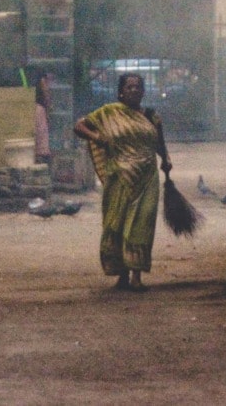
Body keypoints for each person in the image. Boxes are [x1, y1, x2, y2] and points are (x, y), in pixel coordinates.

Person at [73, 72, 170, 290]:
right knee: (116, 224)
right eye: (129, 87)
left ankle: (136, 277)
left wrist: (166, 161)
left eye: (137, 87)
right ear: (121, 91)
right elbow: (79, 126)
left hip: (147, 178)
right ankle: (122, 276)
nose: (134, 90)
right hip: (119, 179)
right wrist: (99, 138)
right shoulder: (109, 113)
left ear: (144, 92)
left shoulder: (152, 116)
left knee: (141, 225)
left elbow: (160, 144)